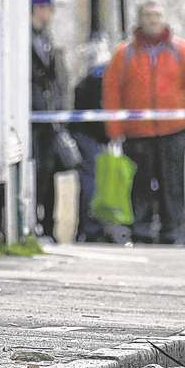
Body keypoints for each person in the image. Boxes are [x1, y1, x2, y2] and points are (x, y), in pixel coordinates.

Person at [102, 1, 185, 245]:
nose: (153, 20)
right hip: (137, 133)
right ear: (140, 19)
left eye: (157, 15)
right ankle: (141, 230)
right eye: (148, 15)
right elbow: (112, 90)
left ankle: (173, 232)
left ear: (164, 18)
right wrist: (115, 127)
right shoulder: (124, 54)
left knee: (173, 185)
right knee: (140, 185)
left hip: (172, 131)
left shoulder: (181, 51)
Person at [29, 0, 68, 238]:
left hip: (49, 119)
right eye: (48, 9)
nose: (50, 15)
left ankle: (50, 225)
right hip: (34, 119)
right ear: (38, 8)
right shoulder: (27, 39)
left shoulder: (46, 39)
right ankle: (37, 221)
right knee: (38, 172)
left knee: (50, 172)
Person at [71, 42, 113, 242]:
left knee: (92, 183)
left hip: (91, 137)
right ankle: (93, 227)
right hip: (92, 139)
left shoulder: (85, 83)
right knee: (92, 183)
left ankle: (89, 227)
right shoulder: (97, 83)